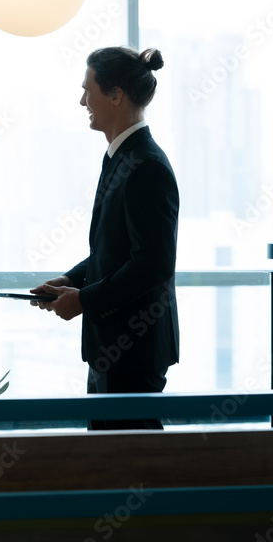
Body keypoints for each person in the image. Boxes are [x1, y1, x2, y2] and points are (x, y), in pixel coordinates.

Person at [31, 46, 179, 431]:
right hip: (113, 346)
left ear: (115, 95)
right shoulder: (121, 156)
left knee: (130, 469)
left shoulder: (146, 165)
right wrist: (71, 281)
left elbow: (153, 264)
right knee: (111, 464)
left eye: (88, 90)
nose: (82, 100)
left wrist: (83, 299)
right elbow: (113, 249)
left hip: (133, 347)